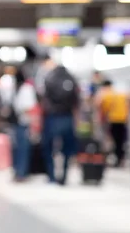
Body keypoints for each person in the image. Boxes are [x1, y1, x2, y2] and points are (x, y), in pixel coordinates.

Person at [40, 54, 80, 185]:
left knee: (49, 147)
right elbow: (76, 101)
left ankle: (51, 175)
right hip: (67, 116)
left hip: (52, 117)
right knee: (67, 148)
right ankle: (64, 175)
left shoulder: (49, 78)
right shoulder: (72, 78)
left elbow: (44, 99)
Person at [7, 69, 37, 182]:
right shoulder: (26, 89)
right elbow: (29, 108)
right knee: (23, 150)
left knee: (17, 149)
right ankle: (21, 173)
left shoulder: (16, 89)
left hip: (17, 123)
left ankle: (18, 171)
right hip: (24, 123)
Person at [96, 80, 129, 167]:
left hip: (113, 119)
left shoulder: (106, 95)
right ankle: (121, 159)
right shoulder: (120, 94)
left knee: (113, 140)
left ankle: (115, 159)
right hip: (123, 120)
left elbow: (102, 108)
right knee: (121, 141)